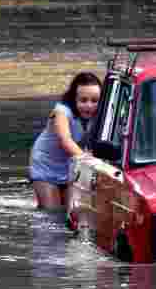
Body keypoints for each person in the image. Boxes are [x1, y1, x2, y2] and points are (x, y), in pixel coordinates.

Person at [29, 72, 102, 209]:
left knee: (72, 212)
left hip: (69, 166)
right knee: (52, 211)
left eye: (94, 100)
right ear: (74, 99)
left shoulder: (102, 114)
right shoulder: (61, 112)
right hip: (46, 165)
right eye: (83, 100)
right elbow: (65, 140)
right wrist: (89, 162)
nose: (89, 106)